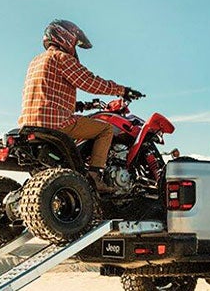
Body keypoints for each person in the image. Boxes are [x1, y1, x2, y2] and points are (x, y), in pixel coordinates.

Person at [18, 19, 143, 192]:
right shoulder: (62, 57)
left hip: (29, 123)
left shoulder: (36, 61)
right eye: (75, 43)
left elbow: (47, 94)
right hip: (56, 124)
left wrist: (80, 105)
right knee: (105, 130)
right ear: (66, 37)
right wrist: (122, 90)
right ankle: (95, 176)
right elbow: (90, 82)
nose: (75, 48)